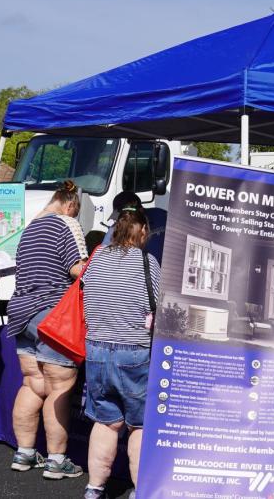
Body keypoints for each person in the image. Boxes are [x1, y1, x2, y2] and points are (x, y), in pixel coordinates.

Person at [5, 180, 86, 480]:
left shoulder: (29, 229)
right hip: (54, 315)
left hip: (21, 314)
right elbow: (78, 269)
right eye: (76, 211)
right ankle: (56, 460)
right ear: (69, 204)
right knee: (59, 387)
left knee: (32, 384)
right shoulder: (67, 224)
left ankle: (24, 453)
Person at [81, 208, 160, 499]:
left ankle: (94, 488)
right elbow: (159, 303)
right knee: (138, 425)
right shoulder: (146, 261)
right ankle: (141, 490)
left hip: (97, 349)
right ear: (140, 232)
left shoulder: (97, 257)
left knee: (106, 422)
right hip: (134, 352)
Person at [99, 191, 167, 263]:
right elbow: (104, 253)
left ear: (141, 210)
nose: (120, 222)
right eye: (121, 219)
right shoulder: (115, 228)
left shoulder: (163, 217)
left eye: (125, 217)